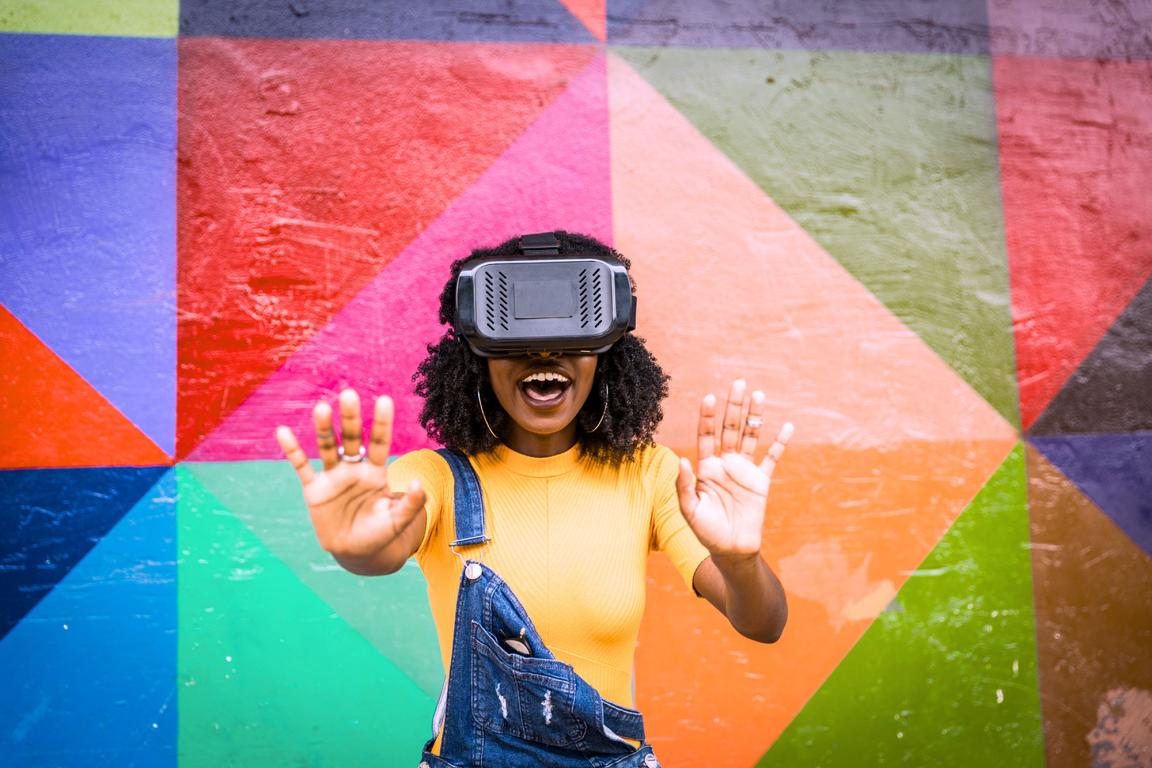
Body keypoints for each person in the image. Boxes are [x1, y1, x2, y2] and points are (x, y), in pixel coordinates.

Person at [276, 231, 792, 767]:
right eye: (515, 337)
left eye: (572, 335)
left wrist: (739, 560)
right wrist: (355, 546)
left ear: (606, 354)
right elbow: (379, 548)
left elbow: (763, 623)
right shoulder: (433, 478)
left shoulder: (650, 474)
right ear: (477, 355)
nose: (544, 352)